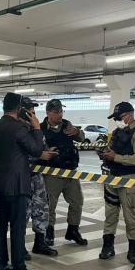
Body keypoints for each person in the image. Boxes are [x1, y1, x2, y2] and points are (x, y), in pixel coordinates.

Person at [0, 92, 45, 270]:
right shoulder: (20, 128)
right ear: (19, 109)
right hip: (17, 184)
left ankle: (0, 263)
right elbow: (36, 150)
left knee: (1, 225)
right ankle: (19, 268)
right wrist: (36, 128)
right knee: (18, 227)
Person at [99, 101, 135, 264]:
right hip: (112, 178)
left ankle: (133, 251)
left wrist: (116, 157)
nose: (117, 121)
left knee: (130, 217)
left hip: (130, 181)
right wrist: (106, 154)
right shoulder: (117, 132)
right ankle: (108, 247)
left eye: (119, 117)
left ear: (129, 115)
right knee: (110, 215)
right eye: (116, 118)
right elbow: (112, 150)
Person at [40, 99, 88, 247]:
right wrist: (43, 153)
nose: (59, 115)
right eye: (56, 112)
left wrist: (77, 132)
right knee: (50, 205)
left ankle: (73, 230)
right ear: (48, 113)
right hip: (52, 172)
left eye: (61, 111)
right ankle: (49, 232)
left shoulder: (67, 124)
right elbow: (34, 148)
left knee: (77, 201)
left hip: (71, 172)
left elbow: (81, 137)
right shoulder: (40, 128)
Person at [21, 97, 59, 257]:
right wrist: (39, 155)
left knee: (41, 209)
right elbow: (18, 155)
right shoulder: (17, 131)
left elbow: (41, 147)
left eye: (34, 112)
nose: (33, 115)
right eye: (30, 112)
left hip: (37, 178)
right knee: (22, 213)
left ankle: (40, 242)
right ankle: (19, 247)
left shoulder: (36, 130)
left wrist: (47, 152)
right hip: (22, 178)